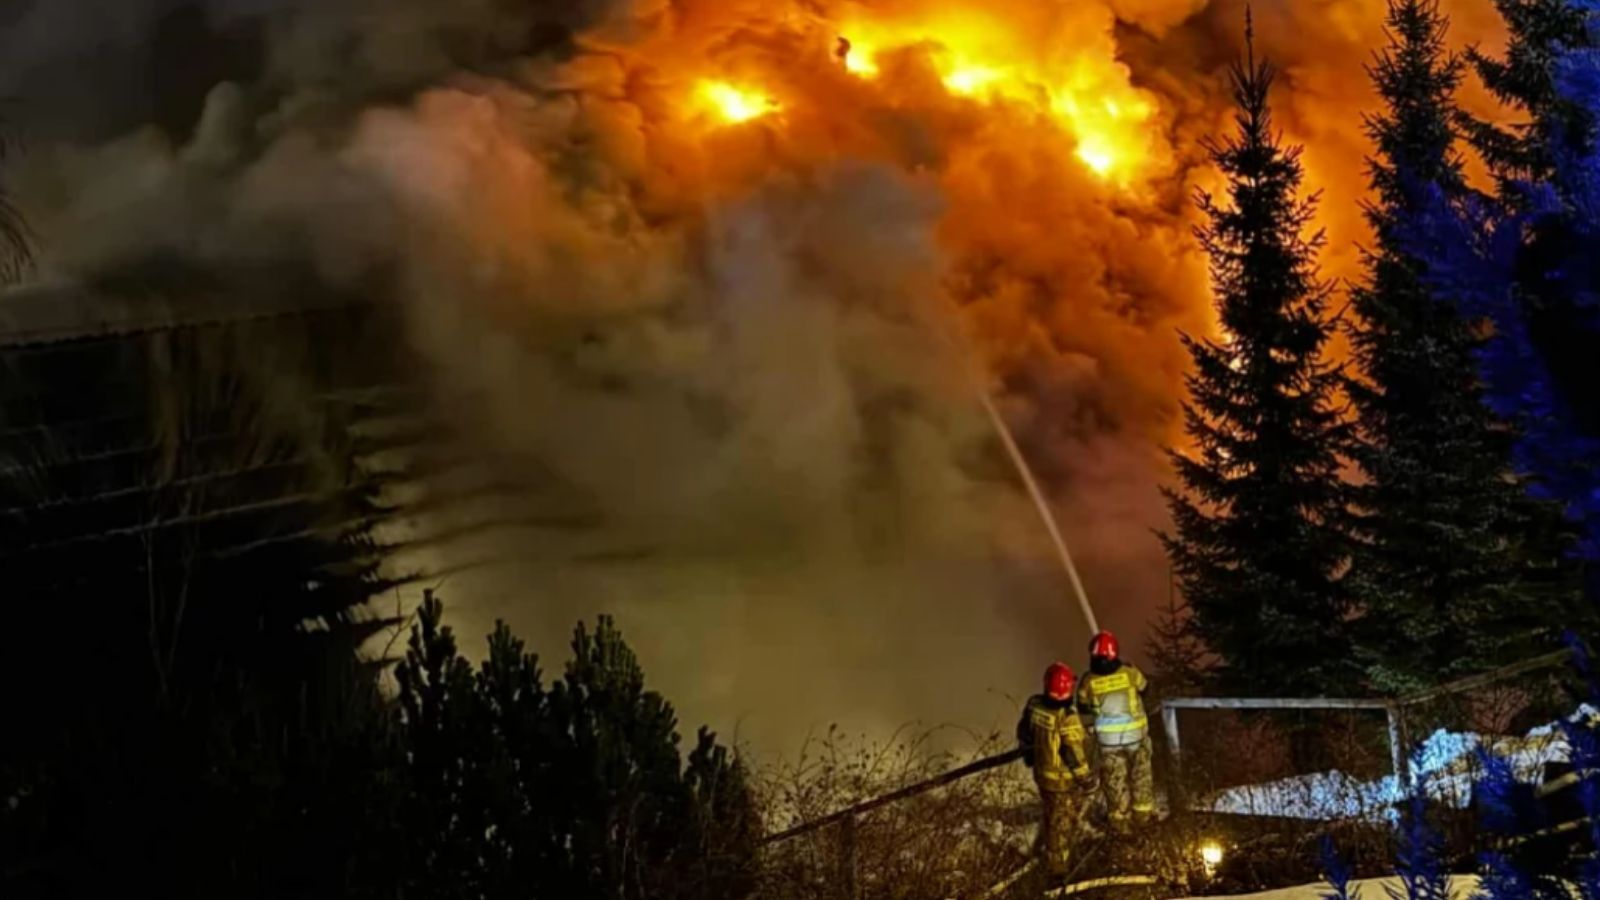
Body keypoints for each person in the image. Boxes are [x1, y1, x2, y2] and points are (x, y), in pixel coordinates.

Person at [1016, 661, 1091, 879]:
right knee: (1061, 825)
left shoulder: (1034, 705)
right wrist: (1086, 778)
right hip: (1063, 781)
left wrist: (1028, 754)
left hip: (1042, 776)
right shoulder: (1067, 716)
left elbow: (1024, 732)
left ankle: (1049, 851)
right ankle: (1058, 870)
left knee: (1051, 815)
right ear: (1067, 688)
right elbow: (1073, 753)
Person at [1076, 631, 1154, 834]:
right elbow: (1146, 689)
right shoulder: (1129, 672)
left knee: (1115, 783)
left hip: (1109, 743)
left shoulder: (1088, 681)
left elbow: (1082, 707)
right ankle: (1144, 821)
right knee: (1141, 778)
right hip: (1136, 738)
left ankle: (1120, 827)